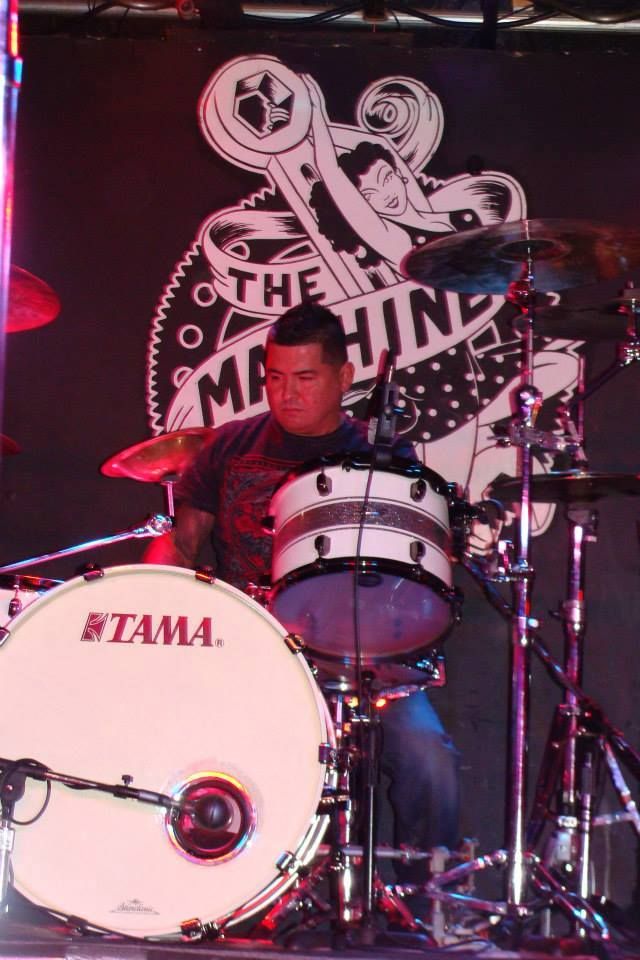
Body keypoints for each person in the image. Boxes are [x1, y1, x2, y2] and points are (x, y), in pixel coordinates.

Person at [144, 300, 459, 905]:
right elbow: (180, 545)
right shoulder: (228, 447)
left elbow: (411, 569)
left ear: (344, 378)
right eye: (275, 377)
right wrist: (154, 601)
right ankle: (203, 897)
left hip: (356, 653)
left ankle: (429, 906)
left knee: (427, 756)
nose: (287, 394)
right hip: (248, 649)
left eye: (305, 378)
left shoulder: (384, 457)